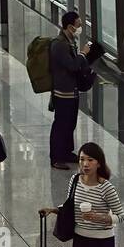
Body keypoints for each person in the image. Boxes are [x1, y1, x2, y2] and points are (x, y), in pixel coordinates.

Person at [40, 142, 124, 247]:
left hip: (103, 243)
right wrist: (52, 210)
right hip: (81, 240)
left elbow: (120, 215)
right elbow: (69, 206)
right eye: (82, 159)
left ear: (99, 163)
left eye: (90, 160)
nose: (85, 164)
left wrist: (101, 217)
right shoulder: (74, 180)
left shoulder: (106, 187)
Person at [49, 10, 93, 170]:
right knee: (61, 125)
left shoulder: (69, 41)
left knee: (70, 124)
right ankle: (56, 157)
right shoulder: (59, 44)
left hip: (71, 91)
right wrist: (83, 54)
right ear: (69, 26)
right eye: (78, 25)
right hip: (62, 93)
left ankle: (67, 152)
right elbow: (72, 65)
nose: (80, 28)